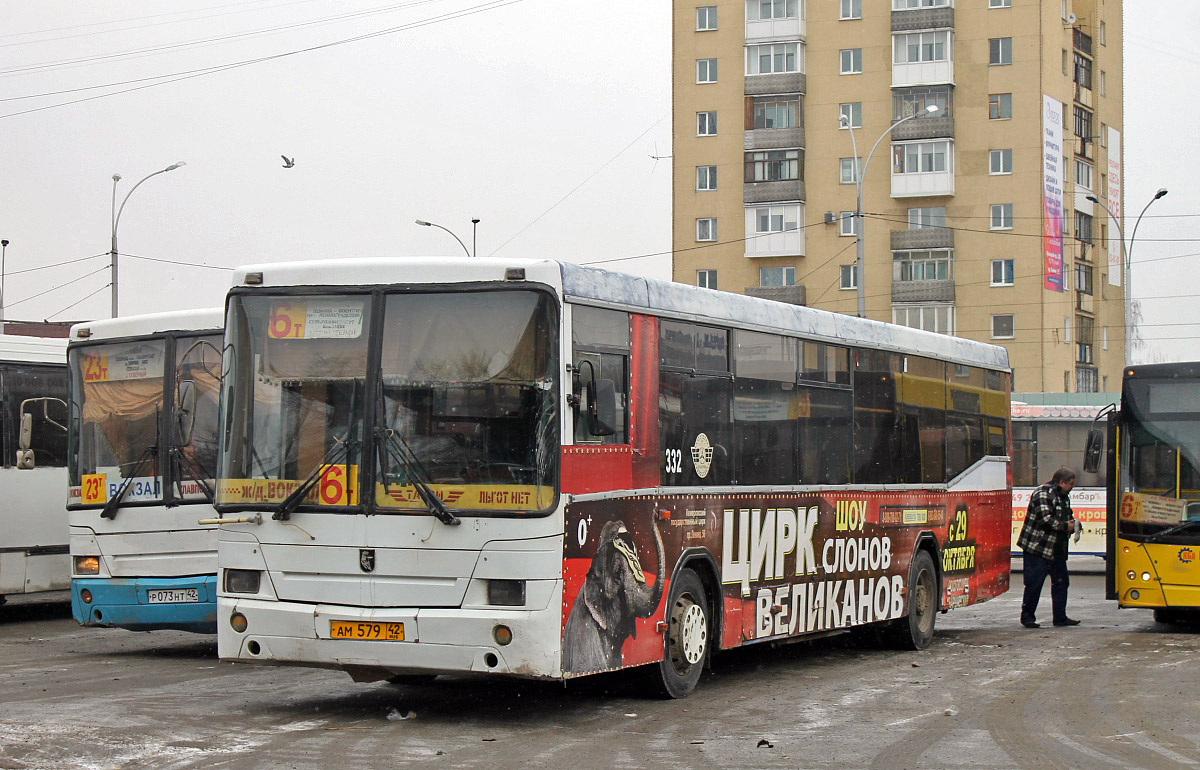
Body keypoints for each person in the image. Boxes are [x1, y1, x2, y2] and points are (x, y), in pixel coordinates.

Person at [1017, 467, 1082, 628]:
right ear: (1061, 482)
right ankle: (1027, 617)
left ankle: (1060, 617)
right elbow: (1045, 519)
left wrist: (1073, 524)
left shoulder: (1063, 496)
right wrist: (1065, 526)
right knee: (1034, 584)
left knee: (1061, 583)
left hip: (1056, 549)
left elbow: (1066, 516)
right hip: (1037, 548)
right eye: (1071, 484)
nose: (1072, 487)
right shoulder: (1043, 493)